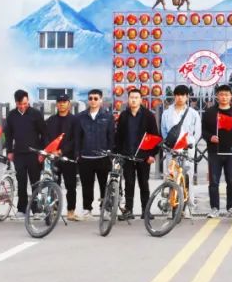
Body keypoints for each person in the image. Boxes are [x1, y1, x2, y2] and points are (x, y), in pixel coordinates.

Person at [114, 88, 160, 219]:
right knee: (129, 183)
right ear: (128, 100)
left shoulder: (148, 116)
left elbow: (155, 136)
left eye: (136, 97)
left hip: (144, 156)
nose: (133, 100)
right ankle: (128, 211)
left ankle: (146, 210)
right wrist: (118, 154)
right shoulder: (123, 116)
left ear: (141, 100)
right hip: (127, 155)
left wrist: (152, 154)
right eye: (131, 97)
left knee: (144, 183)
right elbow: (119, 137)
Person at [3, 89, 46, 217]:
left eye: (25, 103)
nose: (22, 106)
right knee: (21, 182)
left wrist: (42, 152)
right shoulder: (12, 115)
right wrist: (9, 151)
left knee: (35, 182)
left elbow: (44, 133)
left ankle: (36, 209)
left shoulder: (36, 114)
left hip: (34, 154)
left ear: (28, 101)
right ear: (16, 102)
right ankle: (22, 209)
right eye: (20, 104)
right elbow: (8, 135)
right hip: (19, 154)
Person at [74, 89, 115, 220]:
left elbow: (111, 136)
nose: (93, 101)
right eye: (90, 98)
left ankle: (105, 209)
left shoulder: (108, 117)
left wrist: (110, 153)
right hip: (85, 157)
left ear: (101, 100)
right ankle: (87, 209)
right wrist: (77, 154)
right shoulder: (80, 117)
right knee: (87, 186)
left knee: (105, 186)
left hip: (103, 157)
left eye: (96, 98)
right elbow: (77, 137)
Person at [201, 84, 232, 218]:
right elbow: (203, 130)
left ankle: (231, 207)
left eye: (226, 95)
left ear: (231, 96)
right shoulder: (210, 112)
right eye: (221, 94)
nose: (224, 97)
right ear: (217, 96)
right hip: (215, 152)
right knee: (214, 182)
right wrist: (210, 137)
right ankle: (215, 208)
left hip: (231, 153)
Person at [160, 84, 202, 208]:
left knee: (187, 177)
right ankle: (172, 204)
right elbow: (164, 131)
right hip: (172, 149)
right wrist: (169, 144)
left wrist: (191, 144)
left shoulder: (193, 113)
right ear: (174, 96)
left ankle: (188, 205)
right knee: (172, 176)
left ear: (187, 97)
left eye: (183, 95)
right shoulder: (166, 113)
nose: (180, 97)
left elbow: (197, 132)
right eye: (177, 95)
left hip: (187, 149)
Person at [45, 94, 79, 220]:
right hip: (53, 158)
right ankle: (54, 210)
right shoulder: (50, 120)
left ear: (69, 104)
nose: (62, 104)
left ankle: (71, 211)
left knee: (71, 186)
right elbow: (46, 137)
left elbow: (75, 139)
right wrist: (51, 151)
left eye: (64, 101)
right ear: (56, 104)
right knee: (54, 185)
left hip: (68, 158)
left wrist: (62, 151)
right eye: (59, 101)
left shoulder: (75, 120)